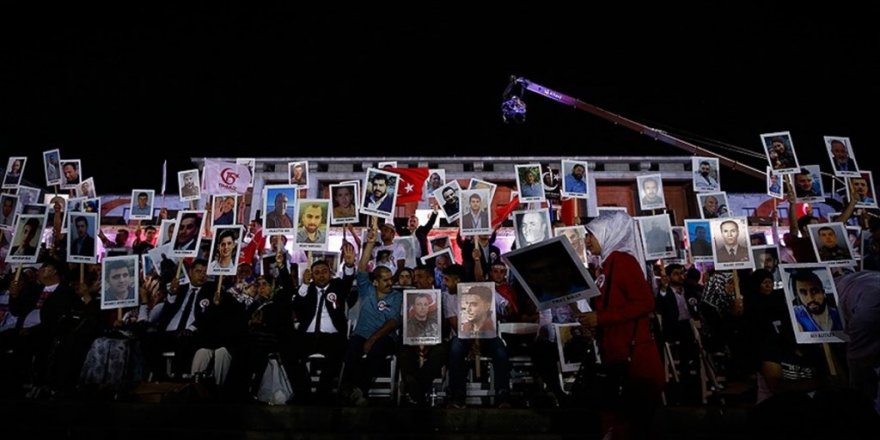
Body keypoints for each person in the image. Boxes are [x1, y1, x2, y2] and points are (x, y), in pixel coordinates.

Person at [579, 211, 665, 439]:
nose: (587, 241)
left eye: (591, 235)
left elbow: (645, 302)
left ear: (608, 233)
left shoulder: (623, 261)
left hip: (633, 359)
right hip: (616, 355)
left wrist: (601, 319)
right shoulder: (607, 264)